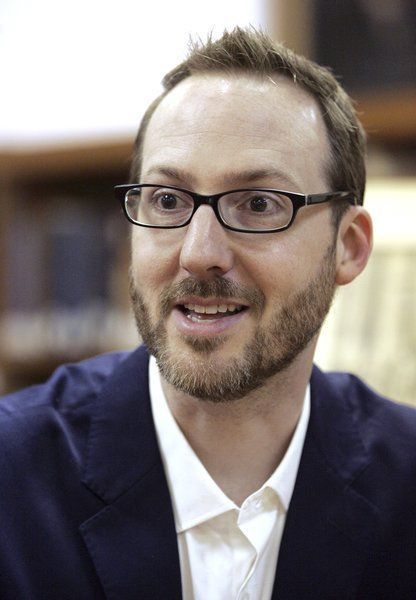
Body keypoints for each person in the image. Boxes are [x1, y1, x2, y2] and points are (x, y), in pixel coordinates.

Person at [1, 27, 415, 600]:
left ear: (348, 246)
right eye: (167, 200)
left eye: (259, 204)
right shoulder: (12, 477)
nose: (199, 253)